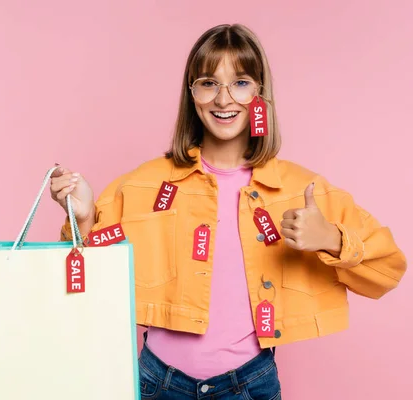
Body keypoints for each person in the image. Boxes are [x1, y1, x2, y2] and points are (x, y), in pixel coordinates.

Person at [49, 23, 407, 400]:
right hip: (157, 384)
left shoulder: (302, 190)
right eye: (208, 82)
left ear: (259, 94)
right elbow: (87, 281)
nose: (223, 99)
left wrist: (331, 239)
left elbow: (388, 269)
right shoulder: (143, 184)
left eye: (240, 82)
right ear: (192, 94)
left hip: (249, 386)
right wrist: (84, 216)